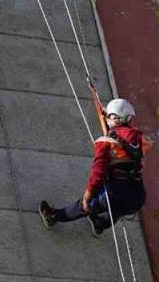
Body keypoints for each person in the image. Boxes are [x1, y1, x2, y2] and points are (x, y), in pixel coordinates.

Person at [39, 97, 148, 237]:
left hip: (115, 192)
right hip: (138, 196)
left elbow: (98, 171)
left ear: (113, 118)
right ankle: (100, 225)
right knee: (118, 209)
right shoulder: (140, 139)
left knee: (86, 205)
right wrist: (108, 115)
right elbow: (125, 134)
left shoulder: (106, 142)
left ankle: (54, 217)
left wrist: (88, 194)